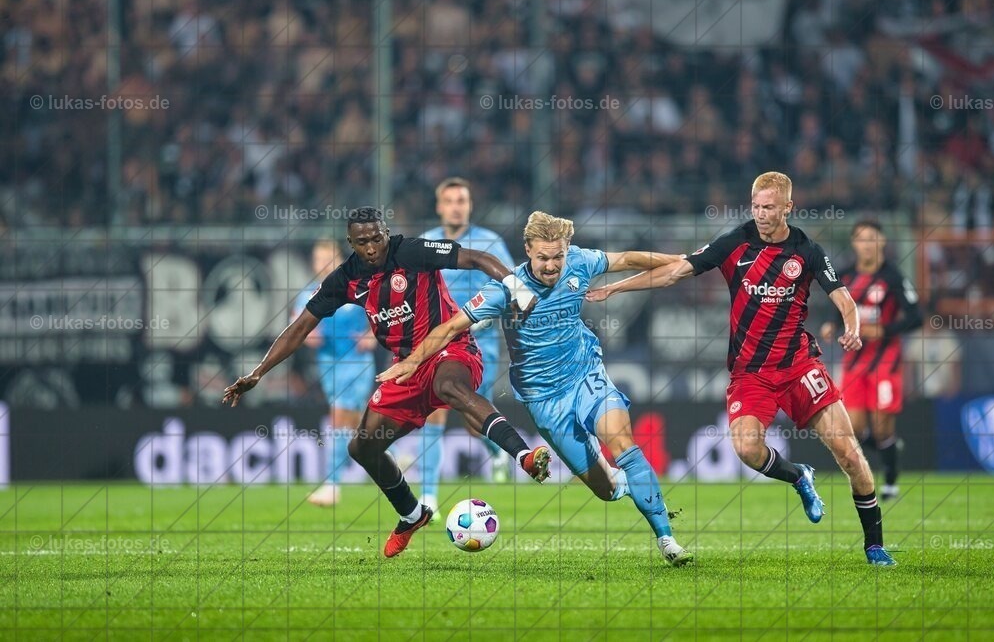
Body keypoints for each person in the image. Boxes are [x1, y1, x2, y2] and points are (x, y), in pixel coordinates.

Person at [587, 172, 897, 566]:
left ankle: (874, 545)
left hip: (799, 366)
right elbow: (674, 272)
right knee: (747, 449)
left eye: (770, 207)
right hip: (751, 375)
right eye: (756, 207)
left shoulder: (808, 251)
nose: (762, 214)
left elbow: (844, 299)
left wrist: (852, 329)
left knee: (849, 454)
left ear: (788, 207)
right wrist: (616, 288)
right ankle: (799, 476)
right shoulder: (735, 242)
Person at [223, 208, 551, 558]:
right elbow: (300, 328)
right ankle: (411, 515)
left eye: (377, 238)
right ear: (351, 243)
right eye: (362, 242)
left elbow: (477, 257)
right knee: (362, 447)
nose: (371, 248)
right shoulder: (345, 279)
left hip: (450, 347)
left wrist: (518, 289)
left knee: (449, 389)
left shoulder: (410, 251)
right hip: (405, 369)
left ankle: (525, 456)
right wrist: (258, 371)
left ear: (386, 233)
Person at [379, 211, 694, 566]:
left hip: (586, 374)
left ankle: (667, 539)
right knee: (605, 491)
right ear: (528, 251)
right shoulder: (504, 291)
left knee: (623, 444)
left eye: (558, 256)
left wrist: (682, 261)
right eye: (543, 257)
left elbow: (626, 259)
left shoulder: (580, 262)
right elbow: (450, 328)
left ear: (566, 249)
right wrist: (412, 361)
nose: (551, 265)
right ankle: (627, 485)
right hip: (543, 400)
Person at [418, 178, 516, 517]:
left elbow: (511, 284)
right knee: (434, 409)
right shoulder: (427, 242)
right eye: (450, 200)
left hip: (479, 343)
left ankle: (498, 451)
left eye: (462, 200)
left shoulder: (490, 243)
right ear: (439, 206)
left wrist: (486, 316)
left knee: (473, 422)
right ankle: (428, 496)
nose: (456, 206)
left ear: (470, 205)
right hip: (435, 342)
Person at [821, 220, 922, 501]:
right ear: (854, 244)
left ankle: (890, 481)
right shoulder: (844, 276)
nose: (866, 244)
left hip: (885, 361)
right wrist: (831, 324)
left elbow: (916, 317)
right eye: (861, 239)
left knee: (881, 427)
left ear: (882, 243)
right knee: (855, 428)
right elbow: (836, 307)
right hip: (853, 360)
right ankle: (890, 449)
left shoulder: (893, 277)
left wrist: (885, 330)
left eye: (872, 239)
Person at [294, 239, 377, 507]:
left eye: (328, 258)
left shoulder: (357, 285)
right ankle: (396, 452)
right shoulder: (308, 294)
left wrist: (372, 336)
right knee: (354, 421)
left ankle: (332, 486)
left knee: (338, 418)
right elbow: (296, 324)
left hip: (356, 362)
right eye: (319, 259)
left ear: (340, 259)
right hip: (327, 364)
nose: (323, 263)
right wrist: (307, 335)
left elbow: (383, 315)